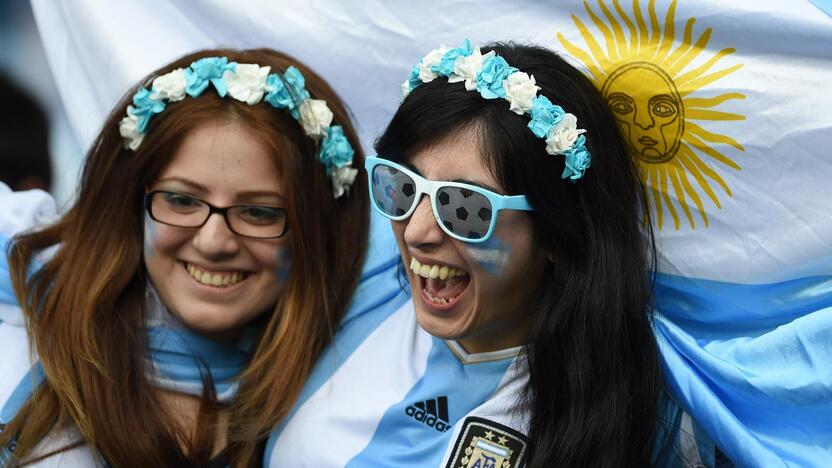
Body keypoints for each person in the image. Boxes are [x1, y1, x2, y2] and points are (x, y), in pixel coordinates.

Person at [267, 40, 725, 467]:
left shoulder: (641, 415)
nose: (417, 232)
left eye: (465, 206)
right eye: (402, 186)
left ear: (557, 235)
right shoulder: (351, 276)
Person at [0, 47, 375, 466]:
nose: (214, 242)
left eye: (259, 212)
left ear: (316, 231)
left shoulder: (347, 402)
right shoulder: (20, 318)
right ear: (131, 204)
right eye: (181, 200)